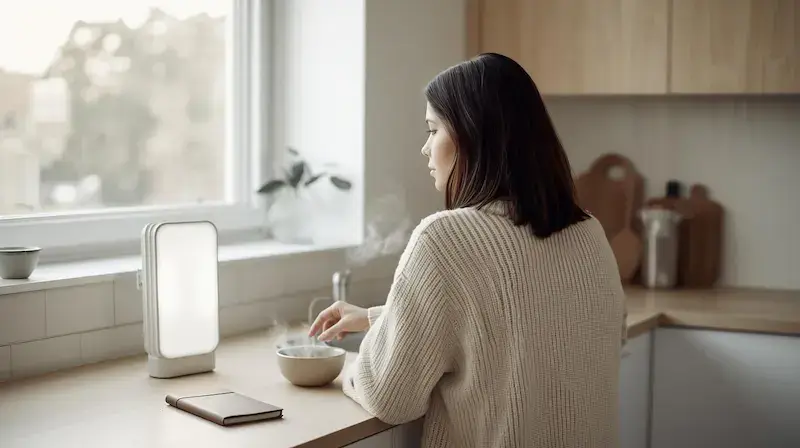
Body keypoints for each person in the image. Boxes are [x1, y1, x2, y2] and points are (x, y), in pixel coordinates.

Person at [308, 52, 627, 448]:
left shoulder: (444, 239)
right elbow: (529, 322)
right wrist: (380, 318)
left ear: (471, 134)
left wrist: (352, 368)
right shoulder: (589, 233)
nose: (426, 149)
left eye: (432, 129)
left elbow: (389, 396)